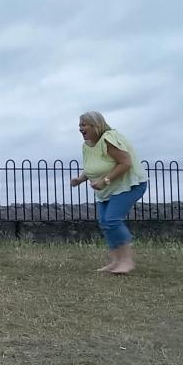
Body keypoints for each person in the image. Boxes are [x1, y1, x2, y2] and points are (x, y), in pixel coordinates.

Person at [70, 111, 149, 274]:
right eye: (79, 125)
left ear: (96, 125)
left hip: (130, 185)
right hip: (108, 189)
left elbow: (125, 163)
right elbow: (92, 167)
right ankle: (115, 261)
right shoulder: (87, 146)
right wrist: (79, 179)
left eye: (83, 125)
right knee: (105, 223)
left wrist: (105, 181)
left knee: (112, 220)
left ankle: (127, 261)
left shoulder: (109, 138)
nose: (80, 128)